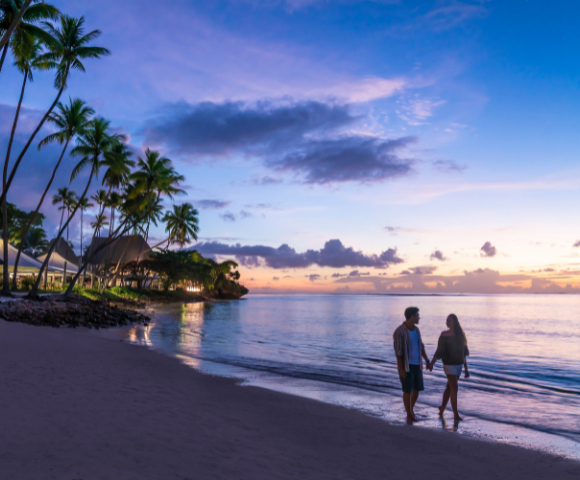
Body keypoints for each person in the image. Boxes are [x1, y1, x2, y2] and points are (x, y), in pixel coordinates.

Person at [428, 314, 470, 422]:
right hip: (448, 365)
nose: (447, 322)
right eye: (446, 320)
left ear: (455, 322)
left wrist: (466, 369)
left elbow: (464, 353)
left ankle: (442, 408)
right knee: (454, 389)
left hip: (459, 365)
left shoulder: (461, 335)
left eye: (449, 320)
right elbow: (439, 351)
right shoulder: (444, 335)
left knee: (449, 388)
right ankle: (456, 415)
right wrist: (431, 363)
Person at [393, 306, 431, 423]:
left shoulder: (416, 330)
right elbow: (398, 353)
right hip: (406, 366)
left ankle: (411, 410)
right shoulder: (399, 332)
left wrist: (427, 360)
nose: (419, 318)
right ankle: (409, 414)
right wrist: (401, 369)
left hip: (417, 365)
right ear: (412, 317)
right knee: (407, 390)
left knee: (417, 389)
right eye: (417, 315)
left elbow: (421, 346)